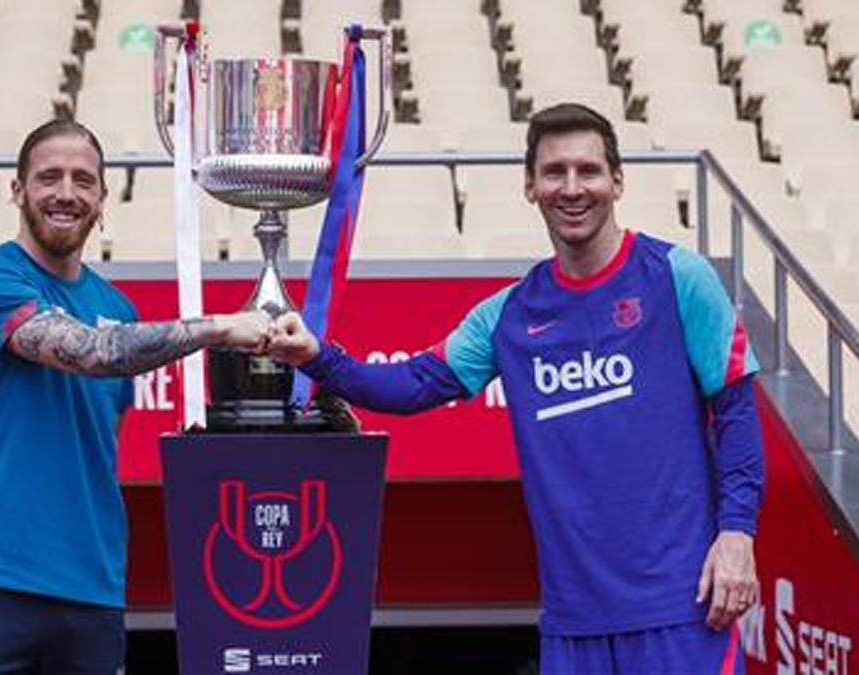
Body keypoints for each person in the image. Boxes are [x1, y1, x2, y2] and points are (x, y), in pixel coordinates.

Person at [268, 103, 764, 674]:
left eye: (589, 170)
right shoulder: (509, 315)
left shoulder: (679, 277)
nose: (572, 188)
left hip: (684, 609)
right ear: (530, 186)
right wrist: (317, 356)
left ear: (618, 181)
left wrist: (737, 535)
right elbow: (414, 383)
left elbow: (736, 415)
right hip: (574, 624)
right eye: (554, 172)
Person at [0, 119, 272, 674]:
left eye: (83, 180)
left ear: (104, 199)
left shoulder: (118, 306)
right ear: (18, 191)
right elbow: (93, 352)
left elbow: (97, 441)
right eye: (49, 177)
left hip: (93, 589)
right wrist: (221, 327)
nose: (66, 193)